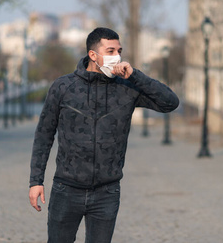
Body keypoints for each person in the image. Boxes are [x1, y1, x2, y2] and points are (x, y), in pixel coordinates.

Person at [29, 27, 179, 243]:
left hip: (106, 192)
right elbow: (44, 135)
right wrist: (36, 181)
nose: (116, 56)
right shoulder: (64, 87)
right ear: (93, 55)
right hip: (67, 189)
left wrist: (135, 75)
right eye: (110, 51)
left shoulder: (127, 88)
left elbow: (170, 102)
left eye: (119, 50)